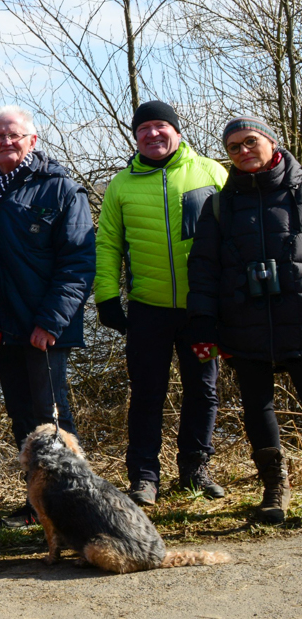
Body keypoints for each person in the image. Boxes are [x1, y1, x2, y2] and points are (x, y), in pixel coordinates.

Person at [0, 106, 96, 528]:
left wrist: (51, 321)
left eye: (15, 135)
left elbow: (78, 262)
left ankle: (76, 502)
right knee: (22, 417)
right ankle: (37, 504)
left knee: (53, 420)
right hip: (3, 330)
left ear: (32, 140)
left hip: (44, 327)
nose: (6, 142)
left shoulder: (60, 190)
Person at [95, 101, 229, 505]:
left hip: (202, 310)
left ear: (177, 130)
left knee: (203, 389)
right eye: (144, 129)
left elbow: (235, 238)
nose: (152, 134)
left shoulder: (212, 172)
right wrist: (106, 296)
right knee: (147, 393)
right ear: (135, 137)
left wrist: (232, 298)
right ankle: (144, 478)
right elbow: (107, 244)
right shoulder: (121, 184)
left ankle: (193, 469)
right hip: (147, 309)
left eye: (160, 126)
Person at [188, 116, 294, 522]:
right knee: (256, 406)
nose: (243, 151)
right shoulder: (221, 203)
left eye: (250, 141)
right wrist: (202, 321)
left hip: (296, 316)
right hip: (243, 320)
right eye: (233, 147)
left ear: (270, 141)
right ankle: (274, 489)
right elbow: (203, 267)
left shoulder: (299, 191)